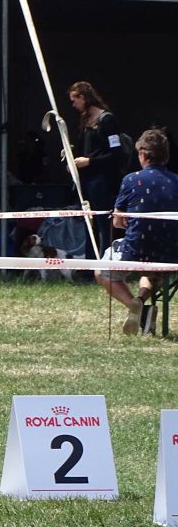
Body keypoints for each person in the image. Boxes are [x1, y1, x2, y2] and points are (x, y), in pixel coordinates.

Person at [95, 128, 178, 336]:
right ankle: (142, 303)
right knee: (154, 272)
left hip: (136, 251)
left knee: (101, 271)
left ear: (142, 155)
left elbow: (117, 222)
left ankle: (134, 305)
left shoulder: (131, 180)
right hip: (172, 254)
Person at [69, 81, 124, 258]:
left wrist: (90, 161)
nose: (73, 104)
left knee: (102, 223)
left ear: (83, 98)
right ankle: (89, 266)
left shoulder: (106, 120)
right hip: (86, 180)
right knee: (87, 222)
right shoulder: (85, 121)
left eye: (74, 100)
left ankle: (104, 263)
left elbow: (116, 154)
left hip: (102, 180)